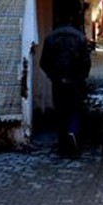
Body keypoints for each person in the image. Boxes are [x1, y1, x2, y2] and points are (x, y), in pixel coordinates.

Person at [40, 19, 92, 156]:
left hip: (58, 82)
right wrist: (81, 78)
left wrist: (53, 76)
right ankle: (73, 137)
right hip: (75, 82)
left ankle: (63, 145)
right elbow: (86, 62)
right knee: (74, 111)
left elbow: (43, 62)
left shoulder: (51, 37)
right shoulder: (79, 37)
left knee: (61, 112)